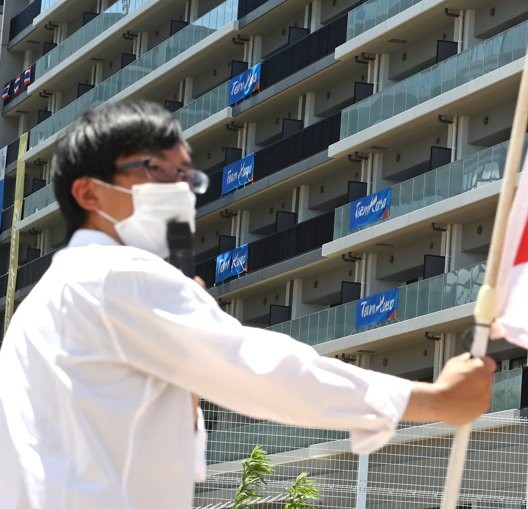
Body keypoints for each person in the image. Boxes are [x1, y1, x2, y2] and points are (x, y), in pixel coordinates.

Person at [0, 100, 496, 508]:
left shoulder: (42, 305)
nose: (178, 190)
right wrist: (434, 401)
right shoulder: (120, 274)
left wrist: (186, 366)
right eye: (156, 169)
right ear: (88, 192)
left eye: (187, 178)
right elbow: (262, 370)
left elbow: (143, 448)